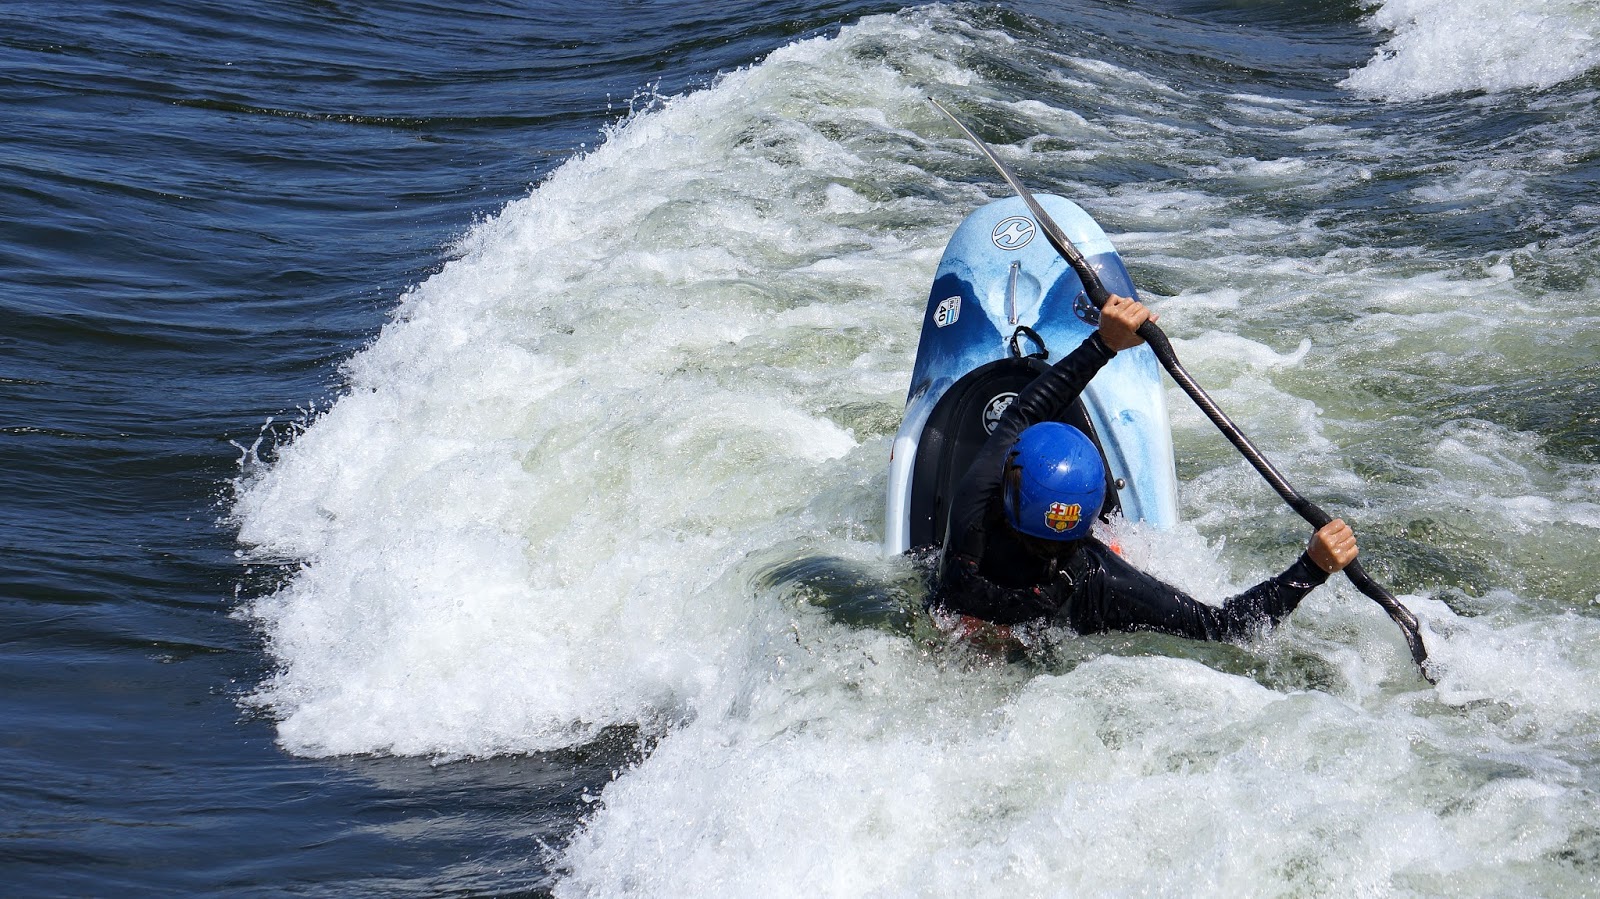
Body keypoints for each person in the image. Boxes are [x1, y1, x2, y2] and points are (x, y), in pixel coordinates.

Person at [931, 294, 1359, 640]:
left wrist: (1103, 343)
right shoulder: (1096, 582)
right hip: (1053, 633)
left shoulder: (975, 505)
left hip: (958, 623)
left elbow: (1024, 411)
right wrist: (1313, 567)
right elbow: (1223, 628)